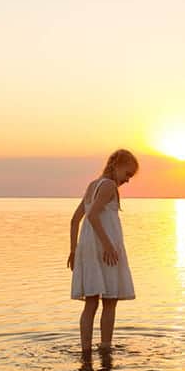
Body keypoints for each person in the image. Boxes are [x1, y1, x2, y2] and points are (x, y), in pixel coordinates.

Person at [67, 149, 138, 354]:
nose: (127, 180)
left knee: (91, 302)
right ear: (117, 166)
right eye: (127, 174)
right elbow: (93, 216)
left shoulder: (92, 185)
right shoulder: (108, 185)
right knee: (109, 301)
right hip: (104, 248)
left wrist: (74, 251)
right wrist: (108, 245)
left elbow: (75, 220)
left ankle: (86, 351)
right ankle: (105, 348)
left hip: (88, 248)